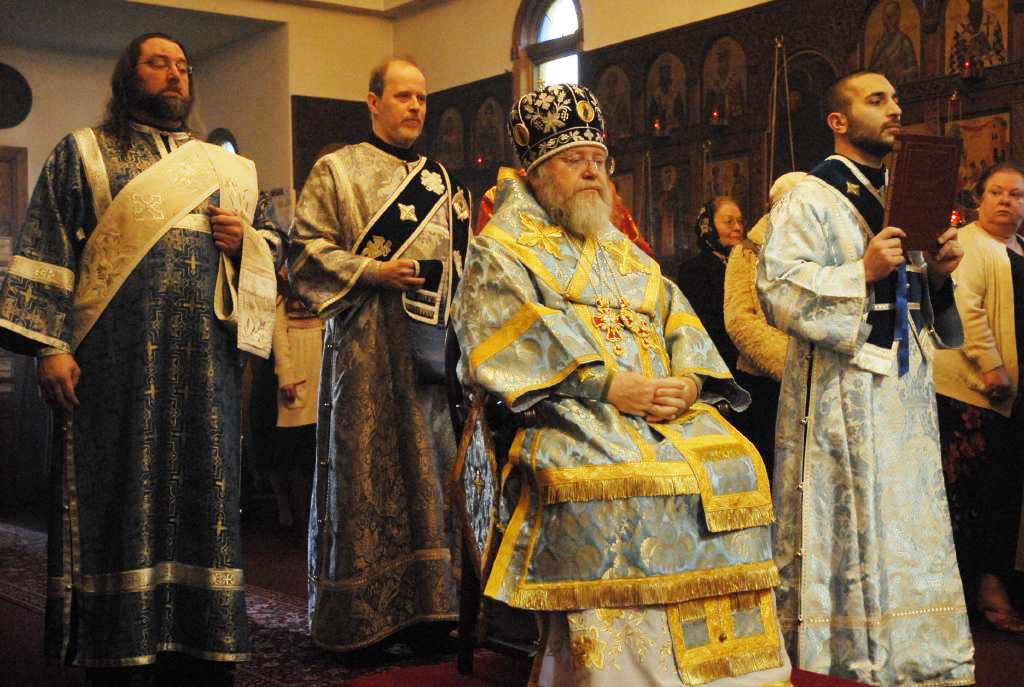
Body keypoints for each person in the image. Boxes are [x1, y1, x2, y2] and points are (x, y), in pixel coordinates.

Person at [454, 82, 791, 687]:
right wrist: (608, 387)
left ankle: (730, 673)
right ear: (538, 172)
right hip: (566, 412)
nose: (593, 172)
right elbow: (506, 336)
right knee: (622, 479)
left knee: (737, 461)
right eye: (574, 160)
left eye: (599, 160)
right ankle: (619, 672)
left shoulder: (625, 252)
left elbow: (677, 316)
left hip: (665, 410)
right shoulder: (501, 249)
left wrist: (689, 382)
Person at [0, 32, 283, 686]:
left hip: (206, 373)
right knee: (116, 499)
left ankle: (200, 647)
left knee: (203, 501)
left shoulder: (226, 169)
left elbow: (275, 256)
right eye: (159, 63)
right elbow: (46, 248)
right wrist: (51, 347)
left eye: (182, 65)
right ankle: (117, 648)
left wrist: (247, 243)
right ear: (128, 76)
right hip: (112, 372)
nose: (175, 74)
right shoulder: (82, 153)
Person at [757, 70, 975, 685]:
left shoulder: (901, 193)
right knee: (853, 514)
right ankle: (848, 657)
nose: (894, 108)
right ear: (839, 120)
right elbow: (777, 288)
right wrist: (862, 271)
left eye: (896, 98)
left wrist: (938, 275)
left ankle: (913, 654)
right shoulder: (810, 196)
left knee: (909, 516)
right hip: (842, 389)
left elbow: (915, 299)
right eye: (877, 100)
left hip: (905, 389)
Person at [288, 57, 470, 652]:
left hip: (427, 361)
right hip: (363, 357)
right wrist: (371, 271)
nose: (416, 107)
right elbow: (303, 254)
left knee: (431, 477)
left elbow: (465, 270)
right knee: (364, 478)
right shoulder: (336, 171)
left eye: (422, 98)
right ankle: (362, 620)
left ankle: (433, 614)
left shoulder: (441, 182)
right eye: (403, 96)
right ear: (373, 102)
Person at [934, 161, 1024, 633]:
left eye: (1017, 195)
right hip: (972, 392)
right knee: (973, 496)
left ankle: (991, 583)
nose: (1007, 201)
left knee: (1005, 492)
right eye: (998, 193)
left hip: (1010, 394)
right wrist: (991, 365)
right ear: (979, 198)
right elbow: (964, 309)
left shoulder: (1019, 246)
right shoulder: (969, 243)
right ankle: (969, 594)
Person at [723, 173, 805, 477]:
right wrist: (791, 362)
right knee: (771, 470)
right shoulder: (748, 251)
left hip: (812, 380)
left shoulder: (817, 248)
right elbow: (739, 320)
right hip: (765, 383)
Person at [267, 265, 324, 534]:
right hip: (297, 358)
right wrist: (286, 373)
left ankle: (316, 522)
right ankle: (299, 522)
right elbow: (278, 327)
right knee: (296, 452)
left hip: (320, 354)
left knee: (316, 449)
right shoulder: (284, 273)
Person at [676, 196, 744, 373]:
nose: (737, 227)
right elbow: (703, 329)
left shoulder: (748, 266)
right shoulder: (693, 270)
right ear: (708, 227)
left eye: (740, 221)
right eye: (729, 222)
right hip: (716, 365)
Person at [867, 0, 919, 84]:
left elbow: (914, 69)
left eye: (892, 16)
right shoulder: (880, 44)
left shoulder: (903, 40)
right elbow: (871, 71)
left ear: (898, 18)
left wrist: (900, 74)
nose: (889, 21)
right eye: (887, 17)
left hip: (900, 85)